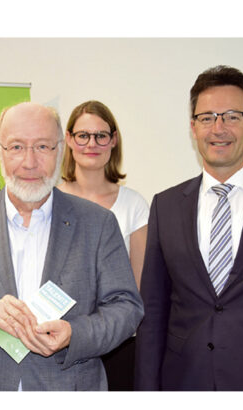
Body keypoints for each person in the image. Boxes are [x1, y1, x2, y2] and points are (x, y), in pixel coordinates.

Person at [0, 102, 144, 390]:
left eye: (42, 147)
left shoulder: (98, 223)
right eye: (16, 147)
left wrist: (74, 334)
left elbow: (126, 308)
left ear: (60, 149)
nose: (29, 162)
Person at [135, 65, 243, 390]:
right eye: (207, 117)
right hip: (185, 382)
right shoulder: (165, 206)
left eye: (232, 116)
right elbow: (153, 314)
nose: (219, 128)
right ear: (193, 127)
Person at [58, 100, 148, 391]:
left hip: (118, 344)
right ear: (69, 139)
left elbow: (137, 288)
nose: (91, 144)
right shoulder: (49, 200)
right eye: (83, 135)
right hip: (59, 343)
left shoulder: (134, 205)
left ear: (114, 140)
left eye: (101, 135)